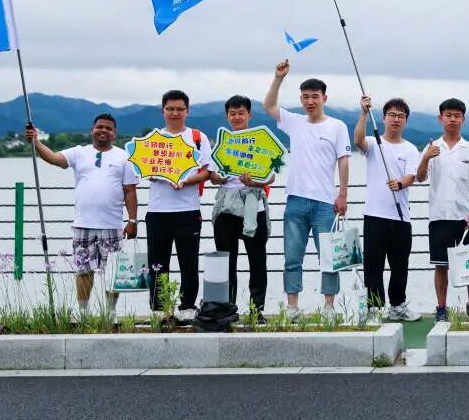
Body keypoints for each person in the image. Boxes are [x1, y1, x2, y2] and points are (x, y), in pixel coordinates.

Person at [263, 61, 351, 322]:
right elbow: (268, 106)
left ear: (324, 98)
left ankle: (328, 305)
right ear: (301, 99)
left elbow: (344, 160)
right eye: (305, 97)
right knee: (292, 255)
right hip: (295, 200)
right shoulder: (294, 122)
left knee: (329, 257)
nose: (309, 101)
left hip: (325, 202)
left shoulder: (337, 126)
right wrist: (278, 78)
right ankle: (292, 306)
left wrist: (343, 194)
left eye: (314, 96)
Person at [26, 113, 137, 313]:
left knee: (112, 273)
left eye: (109, 128)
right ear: (92, 130)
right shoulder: (78, 152)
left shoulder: (124, 157)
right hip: (83, 224)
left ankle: (110, 313)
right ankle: (83, 312)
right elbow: (54, 158)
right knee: (83, 271)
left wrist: (133, 220)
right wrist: (36, 142)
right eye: (100, 127)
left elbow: (130, 191)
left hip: (112, 225)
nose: (103, 130)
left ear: (115, 133)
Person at [144, 90, 216, 321]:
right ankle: (160, 309)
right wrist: (152, 174)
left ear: (187, 111)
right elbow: (143, 168)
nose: (175, 113)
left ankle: (187, 307)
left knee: (189, 260)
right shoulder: (153, 138)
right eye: (170, 109)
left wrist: (185, 181)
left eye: (180, 109)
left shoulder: (197, 137)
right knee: (157, 262)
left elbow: (207, 171)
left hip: (188, 209)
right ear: (162, 110)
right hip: (157, 211)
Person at [416, 98, 469, 322]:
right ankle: (441, 308)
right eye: (448, 115)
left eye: (457, 116)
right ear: (440, 118)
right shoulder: (432, 147)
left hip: (466, 217)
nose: (452, 119)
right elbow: (420, 177)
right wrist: (426, 157)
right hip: (439, 215)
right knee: (441, 265)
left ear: (463, 119)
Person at [355, 95, 421, 321]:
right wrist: (364, 113)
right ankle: (374, 308)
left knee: (400, 265)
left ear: (406, 121)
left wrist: (400, 183)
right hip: (375, 215)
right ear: (383, 118)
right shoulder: (374, 144)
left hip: (401, 217)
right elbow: (358, 141)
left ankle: (398, 305)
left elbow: (413, 175)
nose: (396, 119)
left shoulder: (411, 148)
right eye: (392, 115)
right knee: (373, 264)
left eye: (401, 116)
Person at [207, 95, 274, 320]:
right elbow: (212, 175)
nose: (237, 117)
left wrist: (254, 181)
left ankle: (257, 311)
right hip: (226, 206)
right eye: (232, 113)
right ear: (227, 116)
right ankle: (227, 309)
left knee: (258, 260)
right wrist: (221, 178)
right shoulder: (220, 142)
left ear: (249, 115)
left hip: (253, 203)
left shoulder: (261, 141)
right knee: (226, 261)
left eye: (241, 113)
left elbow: (271, 175)